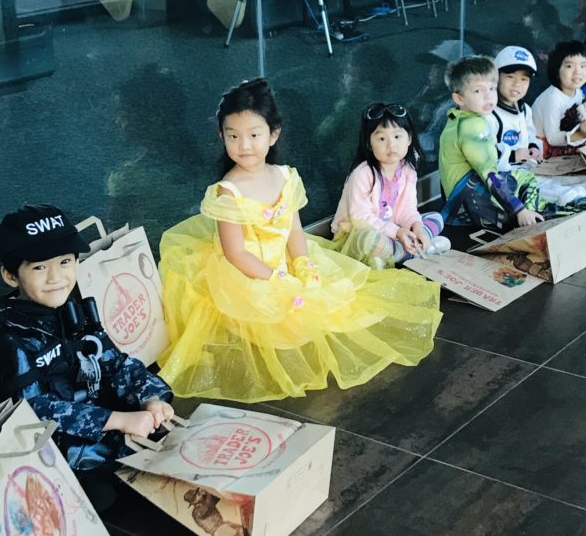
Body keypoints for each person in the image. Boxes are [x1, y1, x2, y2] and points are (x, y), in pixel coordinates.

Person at [159, 78, 441, 403]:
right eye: (233, 136)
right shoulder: (228, 190)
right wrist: (276, 278)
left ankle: (397, 248)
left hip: (286, 258)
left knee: (339, 305)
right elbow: (235, 253)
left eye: (254, 135)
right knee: (282, 323)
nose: (244, 145)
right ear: (221, 136)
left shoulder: (284, 176)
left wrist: (303, 262)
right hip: (249, 271)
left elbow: (294, 231)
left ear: (273, 134)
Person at [0, 205, 173, 510]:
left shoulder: (76, 312)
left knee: (167, 448)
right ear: (10, 275)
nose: (56, 277)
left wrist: (151, 398)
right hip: (53, 451)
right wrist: (118, 420)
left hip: (105, 432)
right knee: (105, 499)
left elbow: (117, 363)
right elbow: (31, 412)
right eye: (39, 268)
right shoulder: (9, 338)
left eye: (65, 262)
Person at [497, 44, 586, 230]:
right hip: (517, 171)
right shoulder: (491, 115)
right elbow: (488, 156)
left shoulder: (524, 109)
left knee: (568, 180)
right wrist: (514, 155)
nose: (517, 84)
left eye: (524, 79)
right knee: (556, 188)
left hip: (534, 165)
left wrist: (533, 147)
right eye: (510, 77)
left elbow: (530, 134)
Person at [331, 102, 450, 269]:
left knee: (436, 218)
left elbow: (407, 209)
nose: (391, 145)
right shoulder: (362, 174)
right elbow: (360, 218)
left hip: (392, 232)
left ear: (409, 138)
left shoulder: (408, 171)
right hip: (356, 235)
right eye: (381, 138)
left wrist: (417, 229)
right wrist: (397, 232)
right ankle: (412, 252)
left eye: (397, 136)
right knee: (369, 240)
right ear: (369, 143)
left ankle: (407, 249)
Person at [439, 56, 548, 231]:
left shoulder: (459, 118)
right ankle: (530, 224)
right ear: (459, 98)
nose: (488, 95)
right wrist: (519, 210)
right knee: (527, 179)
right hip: (470, 201)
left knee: (529, 190)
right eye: (478, 91)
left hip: (458, 202)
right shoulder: (473, 126)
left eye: (491, 88)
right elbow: (489, 174)